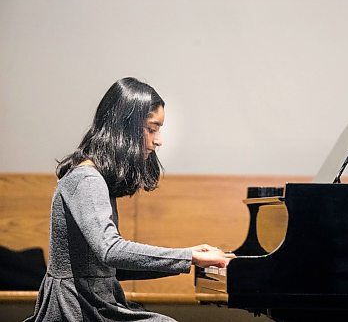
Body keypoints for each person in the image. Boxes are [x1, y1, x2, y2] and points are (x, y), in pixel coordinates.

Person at [24, 77, 234, 321]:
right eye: (151, 129)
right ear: (124, 127)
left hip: (90, 302)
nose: (158, 140)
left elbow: (109, 267)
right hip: (76, 309)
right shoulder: (86, 178)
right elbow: (110, 250)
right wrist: (188, 256)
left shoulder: (92, 177)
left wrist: (189, 260)